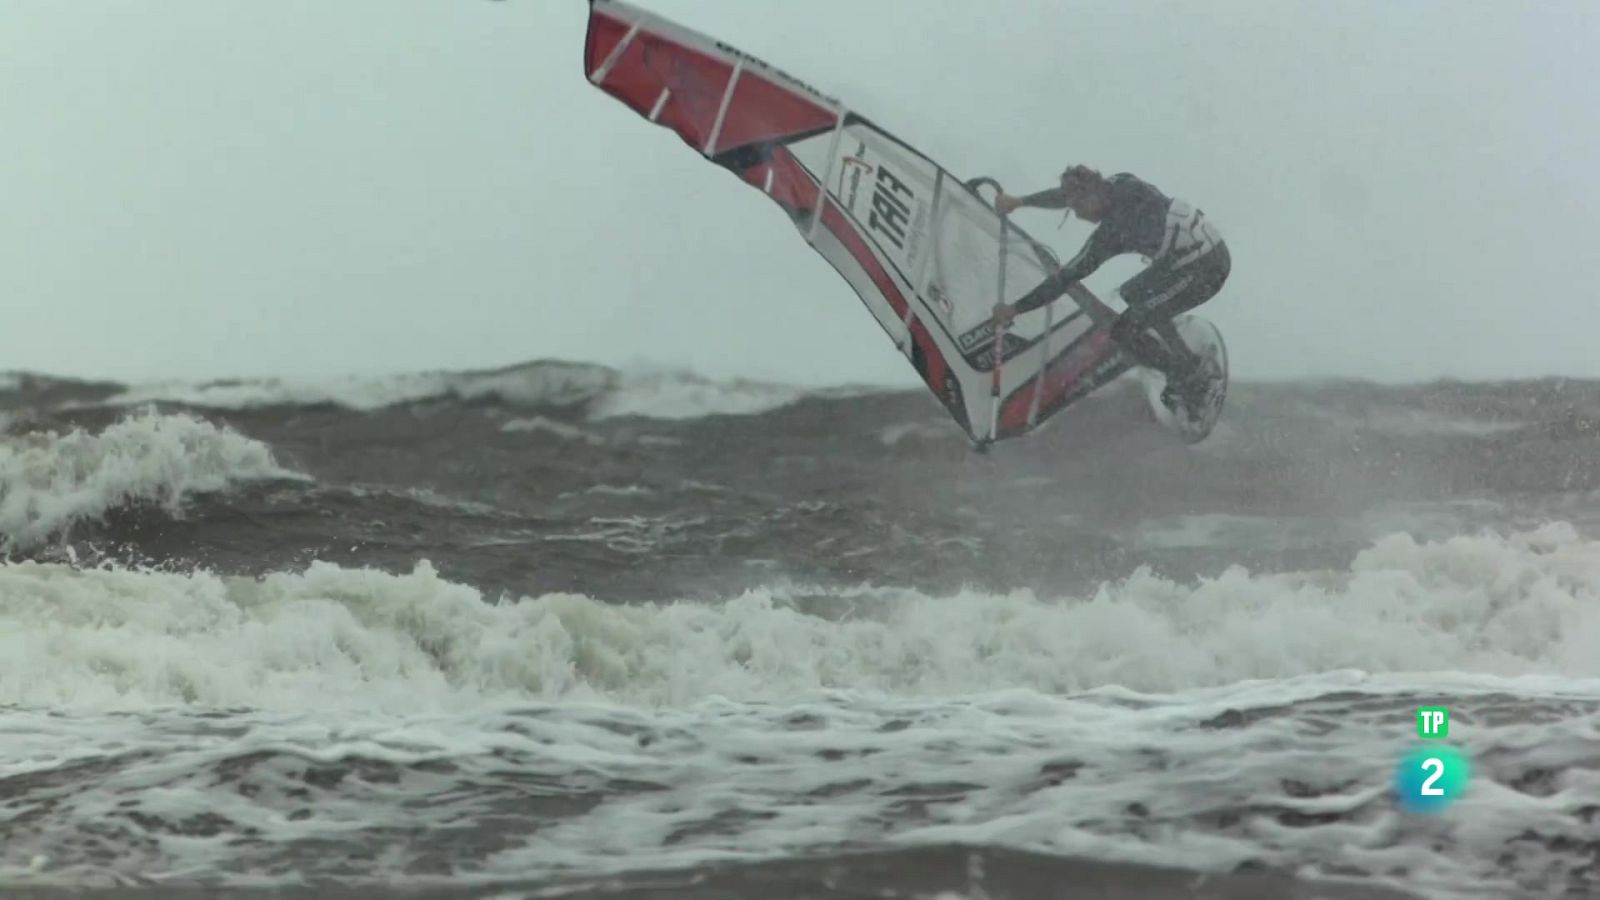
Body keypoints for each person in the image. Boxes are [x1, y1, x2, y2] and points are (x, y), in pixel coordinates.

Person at [990, 165, 1230, 416]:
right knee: (1133, 294)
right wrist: (1020, 201)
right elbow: (1066, 195)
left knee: (1125, 330)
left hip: (1205, 270)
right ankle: (1186, 360)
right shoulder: (1121, 183)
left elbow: (1065, 277)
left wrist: (1016, 308)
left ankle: (1190, 381)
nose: (1078, 216)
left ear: (1093, 196)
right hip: (1199, 257)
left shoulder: (1114, 231)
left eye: (1078, 209)